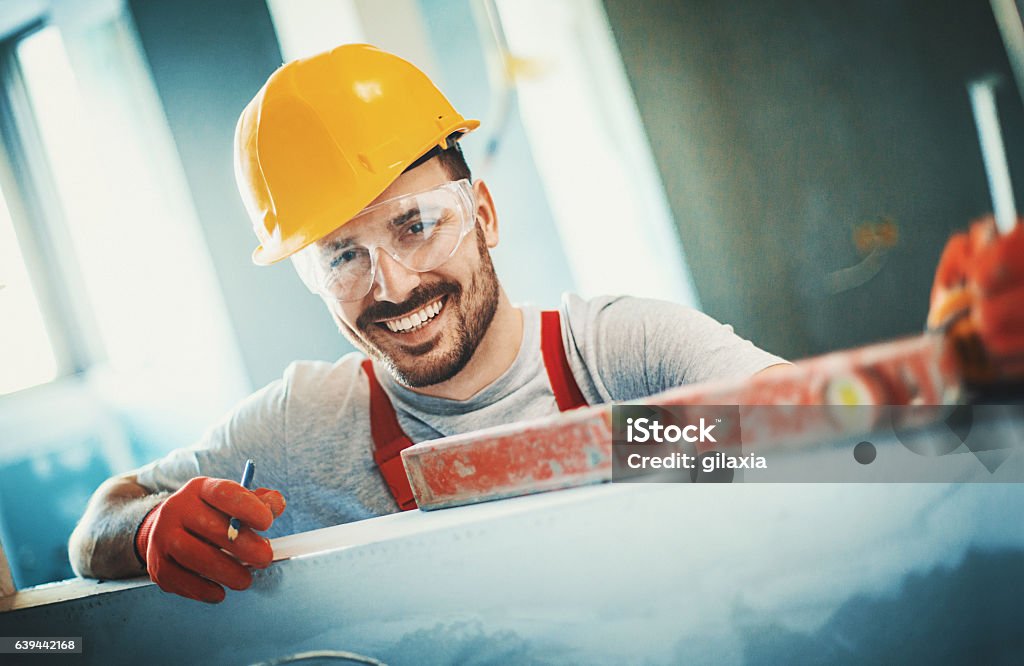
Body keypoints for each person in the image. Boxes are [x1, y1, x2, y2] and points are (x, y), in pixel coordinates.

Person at [78, 42, 1010, 605]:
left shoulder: (624, 354)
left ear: (482, 214)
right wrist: (152, 525)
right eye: (343, 255)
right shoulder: (297, 425)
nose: (392, 283)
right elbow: (94, 528)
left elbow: (823, 433)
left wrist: (941, 383)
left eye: (415, 224)